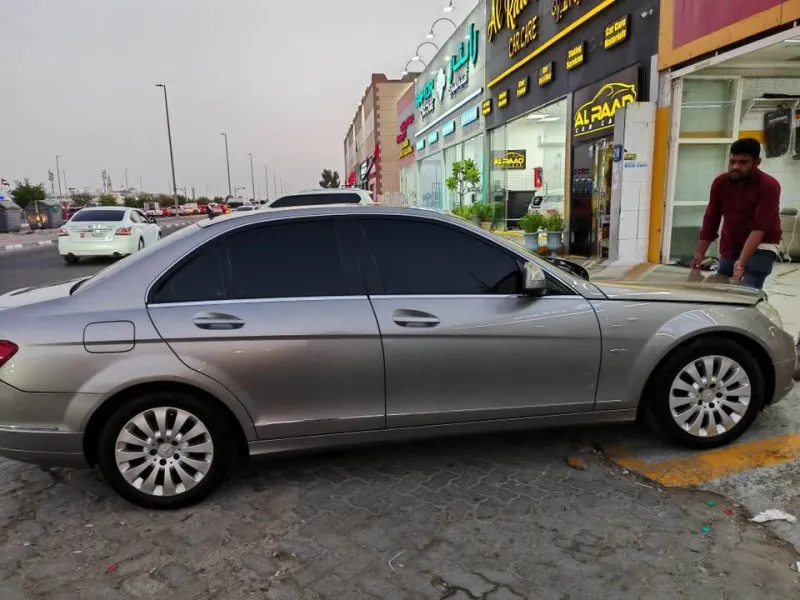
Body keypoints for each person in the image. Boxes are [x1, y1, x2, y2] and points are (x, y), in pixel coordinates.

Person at [689, 138, 782, 290]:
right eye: (732, 161)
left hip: (763, 242)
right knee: (722, 283)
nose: (735, 167)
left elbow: (759, 228)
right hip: (732, 241)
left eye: (743, 163)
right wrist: (699, 254)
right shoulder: (721, 183)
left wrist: (741, 263)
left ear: (757, 162)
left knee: (748, 285)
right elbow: (711, 218)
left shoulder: (769, 186)